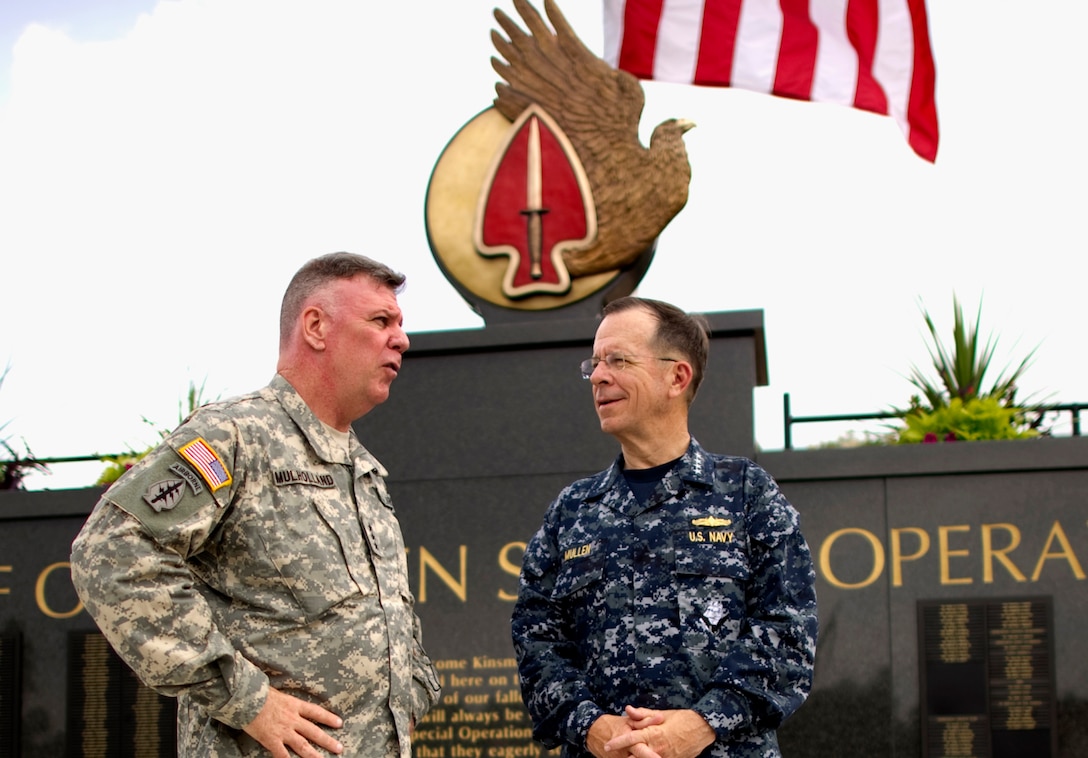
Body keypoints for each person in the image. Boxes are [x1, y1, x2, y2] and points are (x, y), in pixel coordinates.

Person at [70, 252, 441, 758]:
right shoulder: (235, 436)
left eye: (400, 324)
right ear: (315, 326)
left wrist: (411, 692)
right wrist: (250, 700)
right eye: (381, 321)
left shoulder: (363, 471)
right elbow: (112, 555)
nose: (401, 339)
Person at [511, 297, 818, 758]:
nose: (597, 376)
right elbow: (536, 641)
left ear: (677, 376)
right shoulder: (572, 511)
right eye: (593, 364)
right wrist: (592, 727)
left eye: (618, 361)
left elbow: (788, 633)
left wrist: (702, 724)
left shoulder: (745, 493)